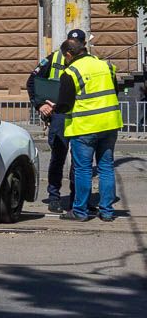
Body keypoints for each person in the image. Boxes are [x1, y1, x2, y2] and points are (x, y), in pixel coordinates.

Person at [45, 35, 120, 222]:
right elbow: (114, 92)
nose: (64, 61)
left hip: (84, 127)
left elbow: (64, 105)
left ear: (69, 54)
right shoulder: (106, 66)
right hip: (110, 125)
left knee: (83, 170)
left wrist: (54, 107)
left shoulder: (71, 72)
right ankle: (107, 211)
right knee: (106, 169)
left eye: (64, 57)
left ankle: (80, 211)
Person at [27, 35, 74, 213]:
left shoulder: (88, 62)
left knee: (78, 161)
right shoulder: (53, 58)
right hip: (59, 117)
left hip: (79, 116)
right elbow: (32, 81)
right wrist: (40, 104)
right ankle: (54, 197)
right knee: (58, 158)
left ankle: (77, 199)